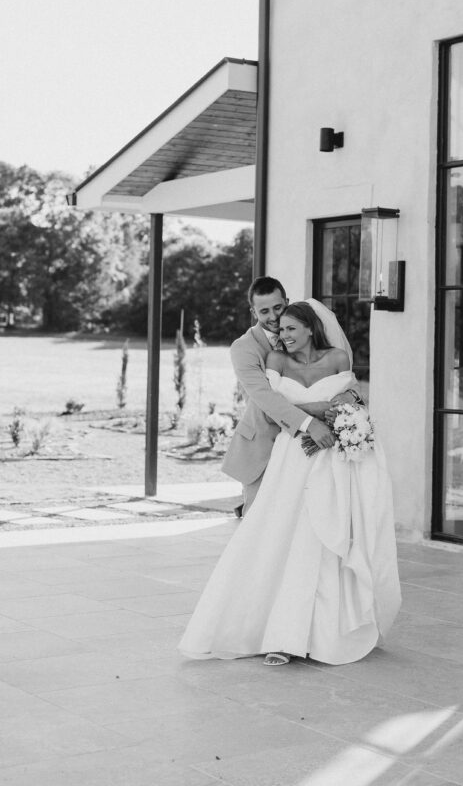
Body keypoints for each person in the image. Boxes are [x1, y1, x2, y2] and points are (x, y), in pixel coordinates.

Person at [179, 300, 401, 667]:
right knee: (282, 535)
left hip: (331, 459)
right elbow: (272, 403)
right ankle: (278, 633)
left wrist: (336, 418)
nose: (283, 336)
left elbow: (352, 400)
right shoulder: (277, 362)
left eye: (290, 329)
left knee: (326, 539)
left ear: (311, 328)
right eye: (280, 330)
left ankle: (325, 631)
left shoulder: (338, 358)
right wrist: (318, 415)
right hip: (292, 456)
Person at [223, 276, 349, 514]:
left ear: (287, 302)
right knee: (258, 523)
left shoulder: (303, 332)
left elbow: (334, 378)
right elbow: (265, 398)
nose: (272, 317)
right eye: (264, 311)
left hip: (305, 452)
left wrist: (347, 400)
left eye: (278, 308)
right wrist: (312, 418)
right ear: (253, 312)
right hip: (263, 446)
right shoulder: (243, 348)